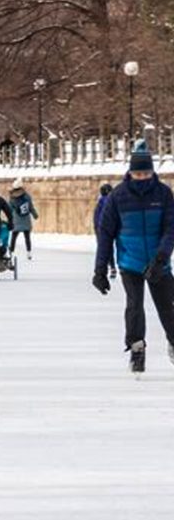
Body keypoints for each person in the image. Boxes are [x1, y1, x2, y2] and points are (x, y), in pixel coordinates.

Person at [93, 142, 174, 375]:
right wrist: (100, 270)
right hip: (130, 262)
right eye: (138, 173)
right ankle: (137, 348)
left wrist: (161, 258)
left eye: (146, 173)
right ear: (130, 172)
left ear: (152, 171)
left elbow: (171, 228)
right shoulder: (118, 196)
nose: (142, 178)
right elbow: (105, 234)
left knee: (168, 307)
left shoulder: (163, 194)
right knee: (134, 306)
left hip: (159, 262)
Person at [8, 179, 39, 260]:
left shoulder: (12, 197)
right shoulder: (27, 196)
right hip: (26, 219)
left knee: (14, 237)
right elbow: (31, 207)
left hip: (16, 220)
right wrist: (35, 215)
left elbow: (9, 209)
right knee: (27, 237)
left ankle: (11, 251)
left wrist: (8, 218)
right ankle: (29, 253)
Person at [94, 183, 116, 280]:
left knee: (105, 248)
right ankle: (112, 266)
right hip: (110, 227)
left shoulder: (101, 201)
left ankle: (110, 267)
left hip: (101, 228)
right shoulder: (112, 201)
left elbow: (97, 217)